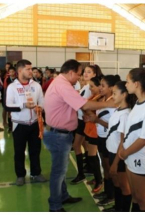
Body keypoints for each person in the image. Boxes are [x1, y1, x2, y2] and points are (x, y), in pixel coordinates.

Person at [43, 59, 116, 212]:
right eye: (78, 74)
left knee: (60, 170)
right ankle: (55, 206)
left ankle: (62, 196)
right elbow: (84, 105)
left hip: (57, 133)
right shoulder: (63, 85)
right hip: (59, 135)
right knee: (58, 172)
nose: (80, 77)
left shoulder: (60, 83)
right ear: (70, 72)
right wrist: (108, 104)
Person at [118, 68, 145, 212]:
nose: (126, 84)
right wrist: (125, 151)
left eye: (128, 81)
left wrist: (126, 152)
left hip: (140, 158)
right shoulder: (138, 104)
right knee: (135, 196)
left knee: (142, 199)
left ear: (137, 84)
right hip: (130, 157)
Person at [5, 59, 47, 186]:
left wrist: (40, 107)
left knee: (35, 150)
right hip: (19, 125)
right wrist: (24, 105)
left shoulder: (36, 85)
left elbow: (42, 101)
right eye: (28, 69)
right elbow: (8, 106)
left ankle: (35, 173)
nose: (31, 71)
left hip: (34, 124)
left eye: (31, 69)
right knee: (19, 152)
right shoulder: (12, 87)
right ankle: (20, 175)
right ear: (19, 71)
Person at [86, 75, 121, 206]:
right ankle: (107, 192)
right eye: (99, 85)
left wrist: (97, 120)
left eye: (103, 86)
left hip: (108, 139)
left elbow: (113, 126)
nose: (100, 88)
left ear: (112, 88)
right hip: (101, 137)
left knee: (110, 169)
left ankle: (111, 195)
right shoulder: (103, 99)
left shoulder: (113, 103)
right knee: (105, 167)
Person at [106, 81, 136, 212]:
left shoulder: (125, 115)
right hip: (113, 153)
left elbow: (123, 141)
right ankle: (117, 208)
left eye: (114, 93)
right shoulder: (118, 110)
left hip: (119, 156)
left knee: (124, 187)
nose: (112, 96)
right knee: (117, 183)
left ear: (124, 95)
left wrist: (115, 163)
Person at [71, 64, 104, 184]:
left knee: (86, 148)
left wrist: (87, 112)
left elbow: (86, 105)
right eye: (84, 71)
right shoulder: (86, 87)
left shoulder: (91, 89)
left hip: (86, 121)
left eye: (89, 72)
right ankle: (85, 171)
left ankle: (88, 174)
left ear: (95, 74)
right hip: (82, 120)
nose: (85, 74)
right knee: (81, 146)